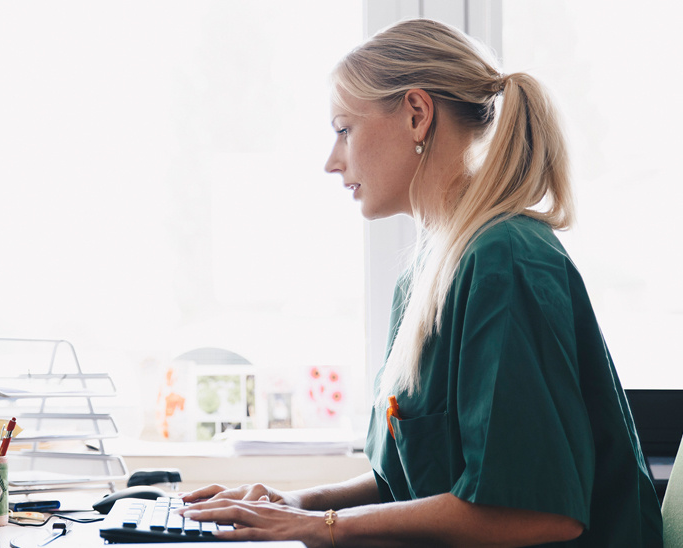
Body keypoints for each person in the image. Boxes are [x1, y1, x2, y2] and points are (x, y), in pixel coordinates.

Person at [178, 18, 663, 547]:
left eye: (344, 129)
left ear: (416, 114)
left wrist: (321, 527)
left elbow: (535, 512)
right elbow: (415, 484)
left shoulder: (505, 261)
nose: (331, 161)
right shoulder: (425, 278)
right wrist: (298, 503)